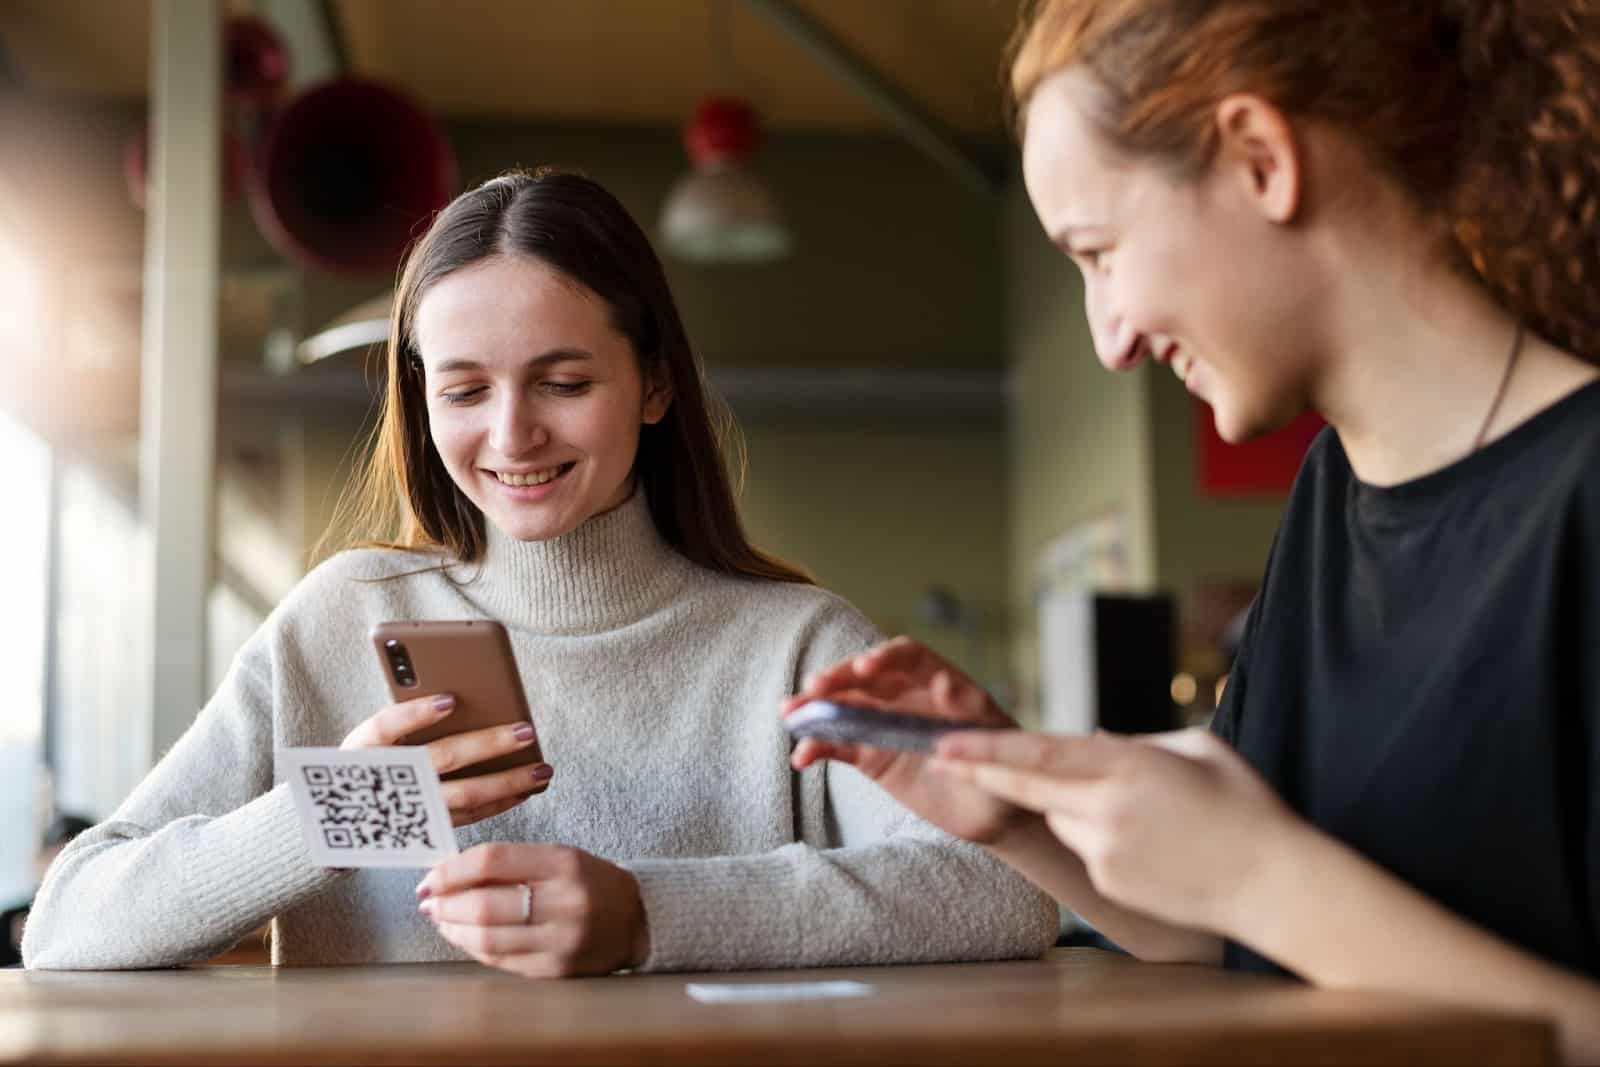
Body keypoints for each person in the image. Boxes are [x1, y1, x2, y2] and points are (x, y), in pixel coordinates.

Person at [788, 0, 1600, 1060]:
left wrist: (1257, 870)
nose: (1109, 336)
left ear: (1260, 158)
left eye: (1099, 250)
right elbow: (1243, 937)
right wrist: (1019, 816)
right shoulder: (1328, 497)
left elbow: (1272, 897)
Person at [24, 168, 1056, 976]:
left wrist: (647, 914)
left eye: (563, 381)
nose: (512, 434)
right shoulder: (343, 614)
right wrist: (345, 811)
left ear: (653, 383)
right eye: (464, 389)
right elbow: (69, 921)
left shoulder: (793, 642)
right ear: (421, 400)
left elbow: (1008, 892)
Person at [1, 813, 93, 967]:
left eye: (74, 860)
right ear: (38, 860)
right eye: (55, 858)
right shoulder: (10, 920)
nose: (62, 871)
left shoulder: (104, 916)